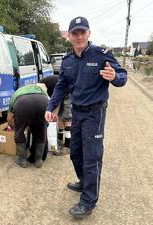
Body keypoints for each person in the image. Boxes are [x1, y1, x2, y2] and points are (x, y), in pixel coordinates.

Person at [45, 17, 127, 218]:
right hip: (77, 112)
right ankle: (84, 182)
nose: (79, 36)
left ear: (88, 34)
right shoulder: (68, 60)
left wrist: (114, 77)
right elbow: (61, 86)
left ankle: (88, 201)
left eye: (83, 32)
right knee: (75, 152)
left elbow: (122, 76)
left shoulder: (101, 55)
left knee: (92, 157)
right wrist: (51, 107)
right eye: (75, 33)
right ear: (70, 36)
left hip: (95, 113)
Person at [7, 83, 49, 168]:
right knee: (41, 132)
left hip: (22, 104)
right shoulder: (39, 89)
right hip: (43, 102)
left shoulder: (16, 93)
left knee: (19, 132)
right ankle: (38, 160)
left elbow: (9, 119)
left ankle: (22, 160)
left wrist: (15, 128)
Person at [39, 75, 72, 156]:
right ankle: (60, 139)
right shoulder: (43, 86)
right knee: (60, 116)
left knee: (67, 118)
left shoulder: (44, 87)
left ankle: (68, 146)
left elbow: (57, 100)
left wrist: (54, 114)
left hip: (68, 90)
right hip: (60, 90)